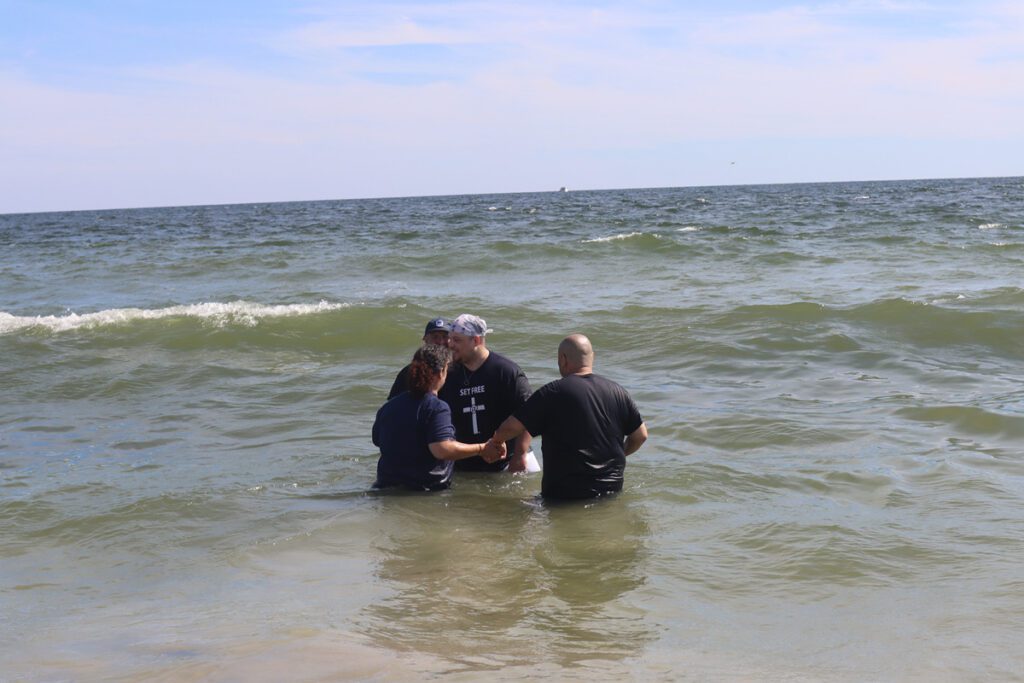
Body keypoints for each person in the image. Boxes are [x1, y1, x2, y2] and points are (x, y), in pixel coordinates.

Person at [487, 334, 648, 499]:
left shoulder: (552, 392)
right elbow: (640, 436)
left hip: (564, 496)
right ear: (591, 358)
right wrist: (619, 455)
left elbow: (511, 427)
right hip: (611, 492)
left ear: (563, 359)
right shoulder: (618, 392)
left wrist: (497, 441)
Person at [372, 345, 506, 491]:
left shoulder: (388, 407)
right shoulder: (437, 407)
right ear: (442, 372)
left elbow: (377, 440)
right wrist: (482, 448)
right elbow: (442, 449)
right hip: (424, 491)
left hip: (385, 488)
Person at [438, 313, 534, 473]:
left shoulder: (506, 371)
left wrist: (520, 454)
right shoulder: (448, 374)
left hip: (507, 462)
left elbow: (529, 414)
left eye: (457, 340)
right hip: (463, 465)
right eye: (450, 339)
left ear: (475, 340)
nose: (450, 344)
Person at [388, 317, 452, 400]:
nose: (440, 341)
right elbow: (394, 404)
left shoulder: (460, 369)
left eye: (445, 337)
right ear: (425, 339)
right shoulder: (410, 372)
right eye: (435, 337)